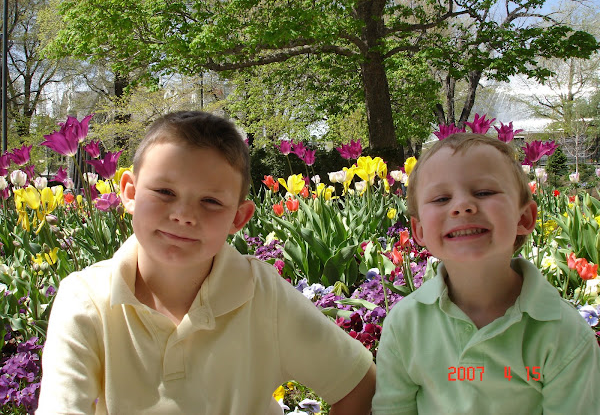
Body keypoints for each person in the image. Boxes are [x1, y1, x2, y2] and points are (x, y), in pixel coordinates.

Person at [37, 111, 375, 414]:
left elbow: (359, 383)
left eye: (211, 201)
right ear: (129, 192)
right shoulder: (86, 299)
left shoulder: (263, 295)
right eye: (164, 192)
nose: (183, 215)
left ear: (238, 218)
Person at [373, 133, 600, 414]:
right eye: (442, 198)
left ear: (524, 218)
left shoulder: (563, 333)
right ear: (418, 231)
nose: (462, 206)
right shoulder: (405, 324)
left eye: (484, 192)